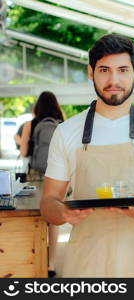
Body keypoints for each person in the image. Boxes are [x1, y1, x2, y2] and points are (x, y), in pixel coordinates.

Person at [40, 34, 134, 277]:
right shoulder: (66, 132)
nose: (113, 80)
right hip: (85, 263)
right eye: (104, 70)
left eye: (123, 70)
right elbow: (49, 202)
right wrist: (62, 213)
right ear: (90, 72)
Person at [19, 91, 64, 278]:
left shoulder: (31, 124)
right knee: (54, 221)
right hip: (58, 177)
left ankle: (35, 262)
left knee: (36, 219)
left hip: (35, 177)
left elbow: (23, 152)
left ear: (37, 106)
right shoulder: (62, 125)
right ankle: (51, 265)